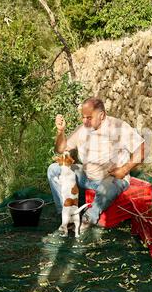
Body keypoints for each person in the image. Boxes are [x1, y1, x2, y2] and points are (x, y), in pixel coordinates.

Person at [47, 97, 145, 230]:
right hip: (87, 176)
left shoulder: (118, 127)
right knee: (54, 169)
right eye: (83, 117)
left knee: (107, 188)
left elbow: (141, 150)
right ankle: (67, 216)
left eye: (89, 118)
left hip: (111, 178)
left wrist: (124, 169)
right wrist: (60, 132)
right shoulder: (82, 129)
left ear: (102, 115)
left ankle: (88, 219)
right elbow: (60, 149)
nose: (84, 121)